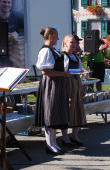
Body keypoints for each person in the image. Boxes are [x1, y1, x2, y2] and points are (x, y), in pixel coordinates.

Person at [35, 27, 70, 155]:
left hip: (57, 83)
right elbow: (45, 71)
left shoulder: (52, 50)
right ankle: (49, 144)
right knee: (50, 114)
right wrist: (63, 74)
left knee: (55, 113)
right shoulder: (45, 51)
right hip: (51, 84)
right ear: (50, 36)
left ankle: (54, 142)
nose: (58, 38)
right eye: (56, 36)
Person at [61, 35, 87, 147]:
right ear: (65, 44)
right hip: (67, 85)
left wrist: (81, 88)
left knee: (78, 109)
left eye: (75, 43)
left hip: (76, 84)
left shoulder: (76, 58)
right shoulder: (63, 57)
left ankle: (75, 136)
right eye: (71, 42)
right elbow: (62, 73)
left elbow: (79, 74)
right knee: (67, 110)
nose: (74, 44)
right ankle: (65, 137)